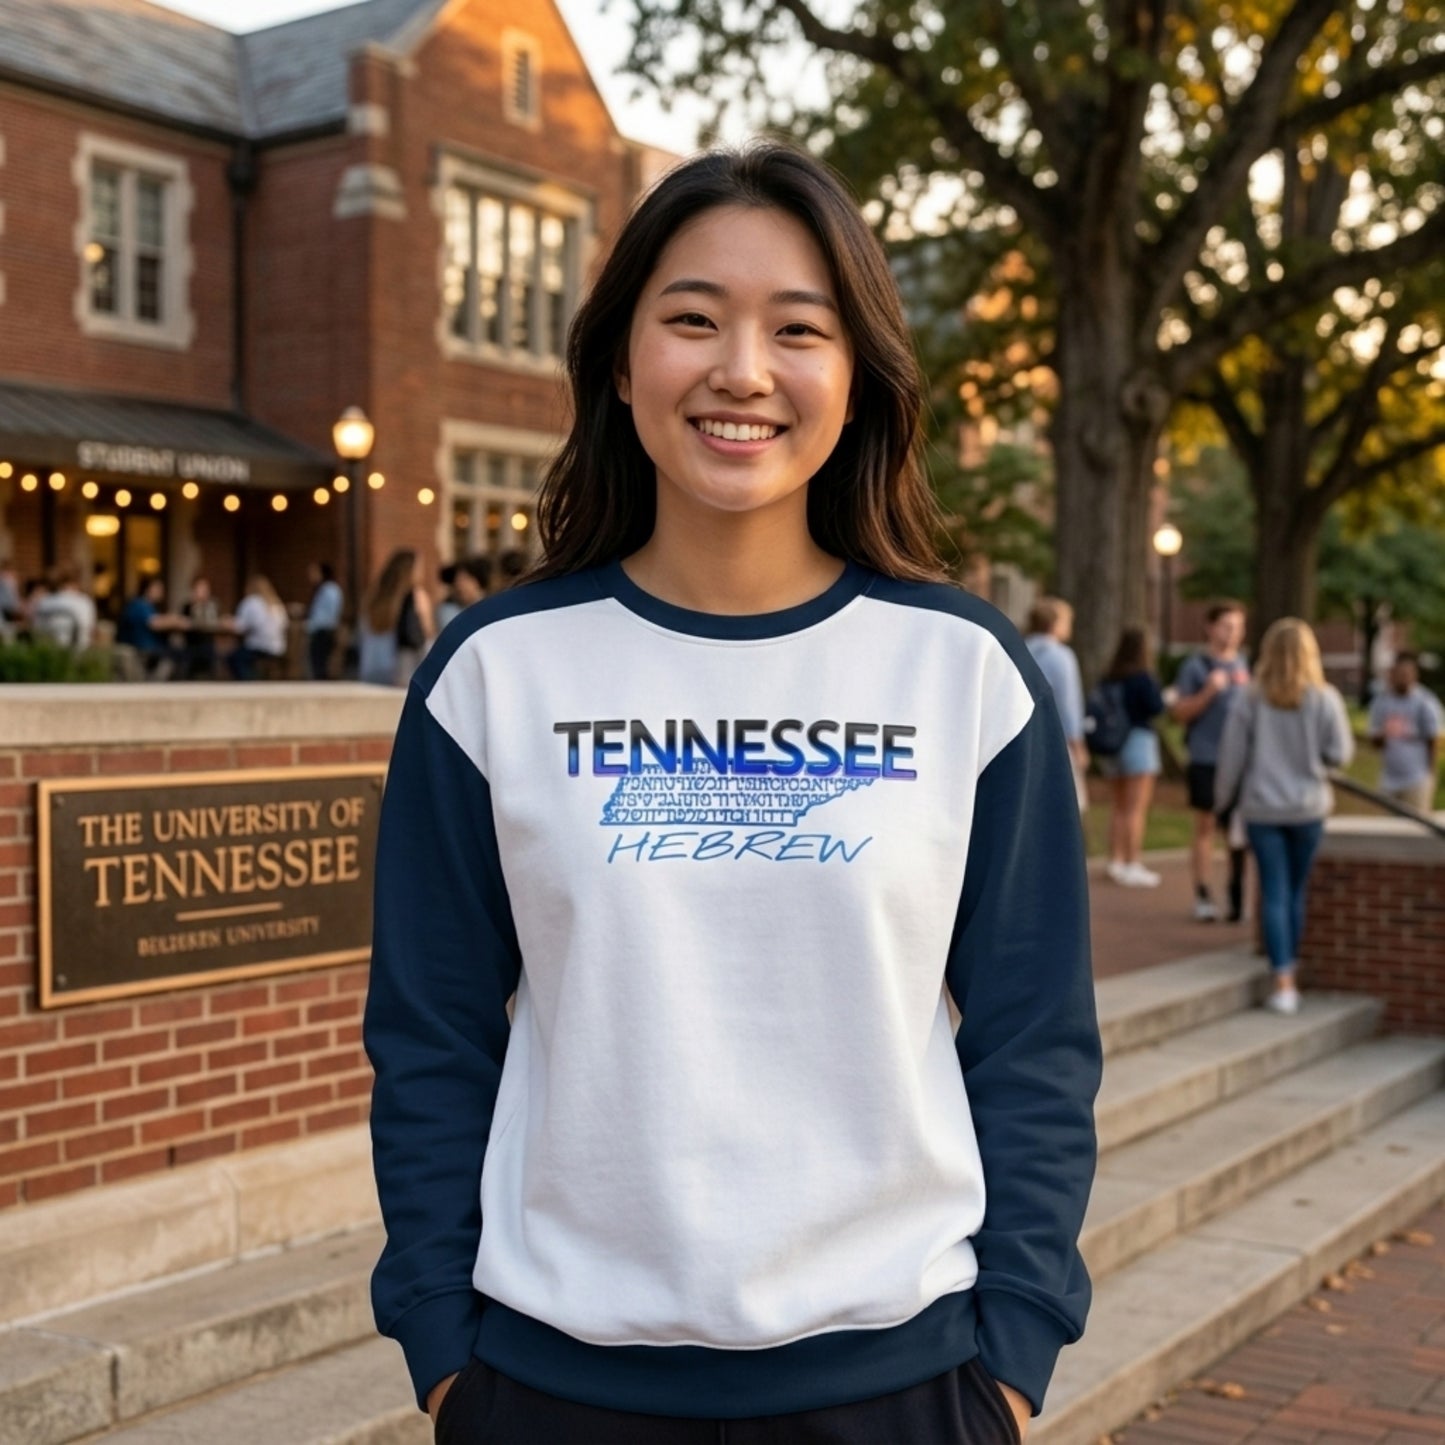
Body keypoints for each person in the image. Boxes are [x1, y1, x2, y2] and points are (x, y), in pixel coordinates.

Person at [364, 142, 1101, 1445]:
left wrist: (1011, 1357)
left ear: (857, 374)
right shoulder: (495, 677)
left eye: (797, 329)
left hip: (901, 1386)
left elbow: (1033, 1040)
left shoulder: (961, 673)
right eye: (691, 318)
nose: (741, 371)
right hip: (552, 1388)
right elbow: (432, 1037)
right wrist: (442, 1350)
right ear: (619, 359)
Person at [1214, 619, 1353, 1016]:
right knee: (1295, 890)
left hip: (1263, 807)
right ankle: (1290, 965)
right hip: (1308, 807)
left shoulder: (1250, 698)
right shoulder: (1325, 698)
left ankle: (1283, 979)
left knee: (1273, 889)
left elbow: (1231, 758)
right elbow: (1340, 753)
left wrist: (1222, 802)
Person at [1170, 600, 1250, 922]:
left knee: (1237, 832)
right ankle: (1203, 894)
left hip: (1240, 762)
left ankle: (1236, 894)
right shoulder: (1195, 667)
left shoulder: (1245, 667)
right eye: (1226, 626)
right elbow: (1178, 713)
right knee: (1205, 826)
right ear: (1211, 628)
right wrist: (1208, 692)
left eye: (1238, 627)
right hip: (1206, 757)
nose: (1232, 634)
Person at [1096, 627, 1166, 888]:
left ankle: (1114, 860)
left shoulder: (1110, 676)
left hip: (1113, 744)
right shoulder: (1143, 677)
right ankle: (1132, 862)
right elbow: (1156, 707)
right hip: (1138, 741)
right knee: (1136, 808)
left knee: (1119, 806)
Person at [1024, 596, 1089, 813]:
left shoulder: (1020, 650)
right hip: (1056, 740)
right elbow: (1069, 704)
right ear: (1054, 624)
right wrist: (1078, 745)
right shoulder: (1061, 656)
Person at [1367, 651, 1441, 813]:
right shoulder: (1382, 702)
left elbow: (1433, 739)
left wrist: (1430, 774)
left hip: (1416, 777)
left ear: (1414, 675)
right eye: (1399, 674)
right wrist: (1382, 736)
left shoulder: (1424, 702)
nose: (1402, 678)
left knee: (1416, 830)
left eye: (1406, 674)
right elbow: (1374, 740)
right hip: (1389, 778)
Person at [358, 549, 434, 686]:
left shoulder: (374, 598)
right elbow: (426, 633)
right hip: (405, 668)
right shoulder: (416, 597)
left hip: (372, 668)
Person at [116, 576, 183, 679]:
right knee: (177, 654)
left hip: (152, 649)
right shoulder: (139, 604)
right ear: (148, 589)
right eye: (158, 588)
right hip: (142, 649)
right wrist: (174, 620)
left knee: (179, 652)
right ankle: (154, 685)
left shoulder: (150, 606)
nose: (161, 592)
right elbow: (154, 623)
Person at [227, 575, 289, 680]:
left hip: (259, 647)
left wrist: (227, 622)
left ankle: (249, 682)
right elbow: (285, 624)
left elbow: (240, 627)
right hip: (278, 648)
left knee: (233, 658)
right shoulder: (277, 604)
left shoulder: (251, 602)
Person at [30, 566, 97, 649]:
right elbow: (89, 630)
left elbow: (36, 630)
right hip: (78, 653)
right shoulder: (85, 602)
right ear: (77, 582)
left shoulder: (45, 602)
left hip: (48, 652)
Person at [305, 561, 344, 680]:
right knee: (316, 665)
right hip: (318, 630)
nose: (310, 576)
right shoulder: (321, 590)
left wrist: (311, 624)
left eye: (314, 572)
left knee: (321, 665)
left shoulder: (330, 590)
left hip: (324, 631)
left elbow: (328, 614)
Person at [180, 574, 222, 680]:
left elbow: (217, 622)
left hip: (207, 644)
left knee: (209, 652)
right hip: (192, 644)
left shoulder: (213, 605)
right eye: (200, 588)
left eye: (205, 589)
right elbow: (184, 623)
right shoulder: (187, 606)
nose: (203, 591)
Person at [434, 556, 492, 632]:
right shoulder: (447, 610)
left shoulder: (492, 608)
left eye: (465, 579)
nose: (459, 585)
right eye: (456, 580)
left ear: (477, 582)